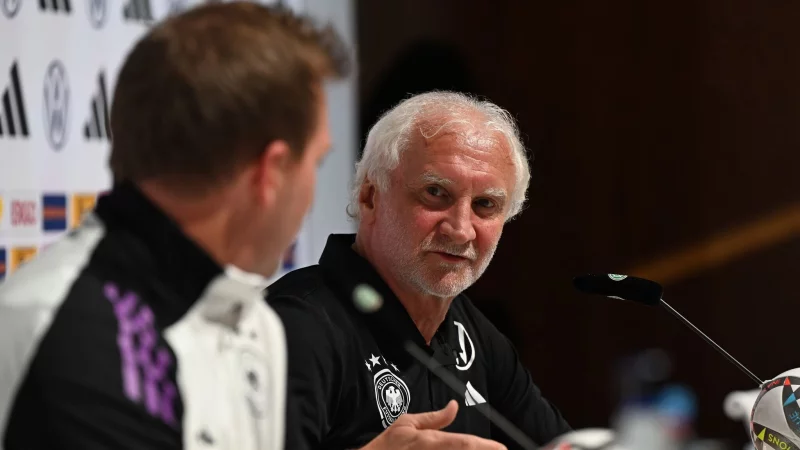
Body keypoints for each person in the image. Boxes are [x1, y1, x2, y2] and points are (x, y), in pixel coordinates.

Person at [0, 3, 349, 449]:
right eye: (316, 162)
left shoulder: (254, 321)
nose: (315, 190)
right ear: (272, 172)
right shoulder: (79, 341)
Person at [268, 91, 572, 450]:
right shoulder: (296, 327)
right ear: (370, 197)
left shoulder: (471, 331)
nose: (460, 229)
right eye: (435, 192)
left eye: (485, 205)